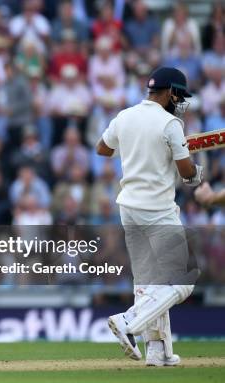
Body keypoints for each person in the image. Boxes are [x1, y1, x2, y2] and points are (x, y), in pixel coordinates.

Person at [96, 67, 202, 366]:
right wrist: (197, 174)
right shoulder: (171, 124)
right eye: (179, 95)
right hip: (157, 210)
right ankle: (129, 321)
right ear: (170, 93)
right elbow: (186, 172)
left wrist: (135, 149)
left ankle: (158, 353)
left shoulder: (125, 116)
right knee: (183, 281)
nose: (180, 101)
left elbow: (102, 149)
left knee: (149, 285)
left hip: (128, 207)